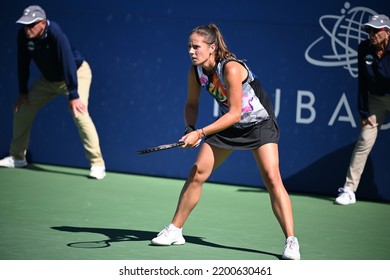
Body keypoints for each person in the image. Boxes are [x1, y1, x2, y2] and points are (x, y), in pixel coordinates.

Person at [150, 23, 301, 260]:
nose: (191, 51)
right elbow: (192, 104)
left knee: (272, 178)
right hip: (229, 127)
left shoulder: (230, 68)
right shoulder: (195, 72)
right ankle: (175, 230)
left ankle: (291, 241)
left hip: (259, 125)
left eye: (196, 46)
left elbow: (235, 113)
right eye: (189, 46)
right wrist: (189, 128)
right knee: (197, 171)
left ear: (211, 48)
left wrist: (199, 134)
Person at [0, 5, 106, 179]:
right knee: (22, 108)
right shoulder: (23, 36)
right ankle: (18, 157)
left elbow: (68, 64)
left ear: (42, 23)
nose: (27, 30)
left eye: (31, 25)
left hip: (76, 74)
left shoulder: (56, 34)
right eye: (25, 25)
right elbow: (22, 63)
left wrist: (73, 94)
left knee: (79, 113)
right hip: (48, 81)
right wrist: (23, 92)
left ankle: (97, 164)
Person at [335, 14, 390, 205]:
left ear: (387, 32)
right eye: (369, 30)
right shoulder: (364, 48)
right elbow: (362, 82)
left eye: (376, 30)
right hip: (376, 100)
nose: (371, 34)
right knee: (364, 141)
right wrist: (363, 111)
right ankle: (349, 190)